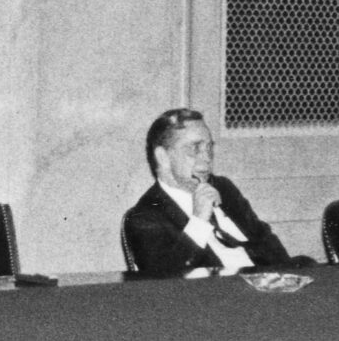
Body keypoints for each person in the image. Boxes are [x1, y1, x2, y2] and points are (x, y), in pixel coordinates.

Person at [119, 108, 303, 276]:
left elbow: (268, 244)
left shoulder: (223, 188)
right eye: (195, 148)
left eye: (208, 147)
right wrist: (198, 221)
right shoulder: (144, 217)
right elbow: (167, 283)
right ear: (163, 157)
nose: (206, 158)